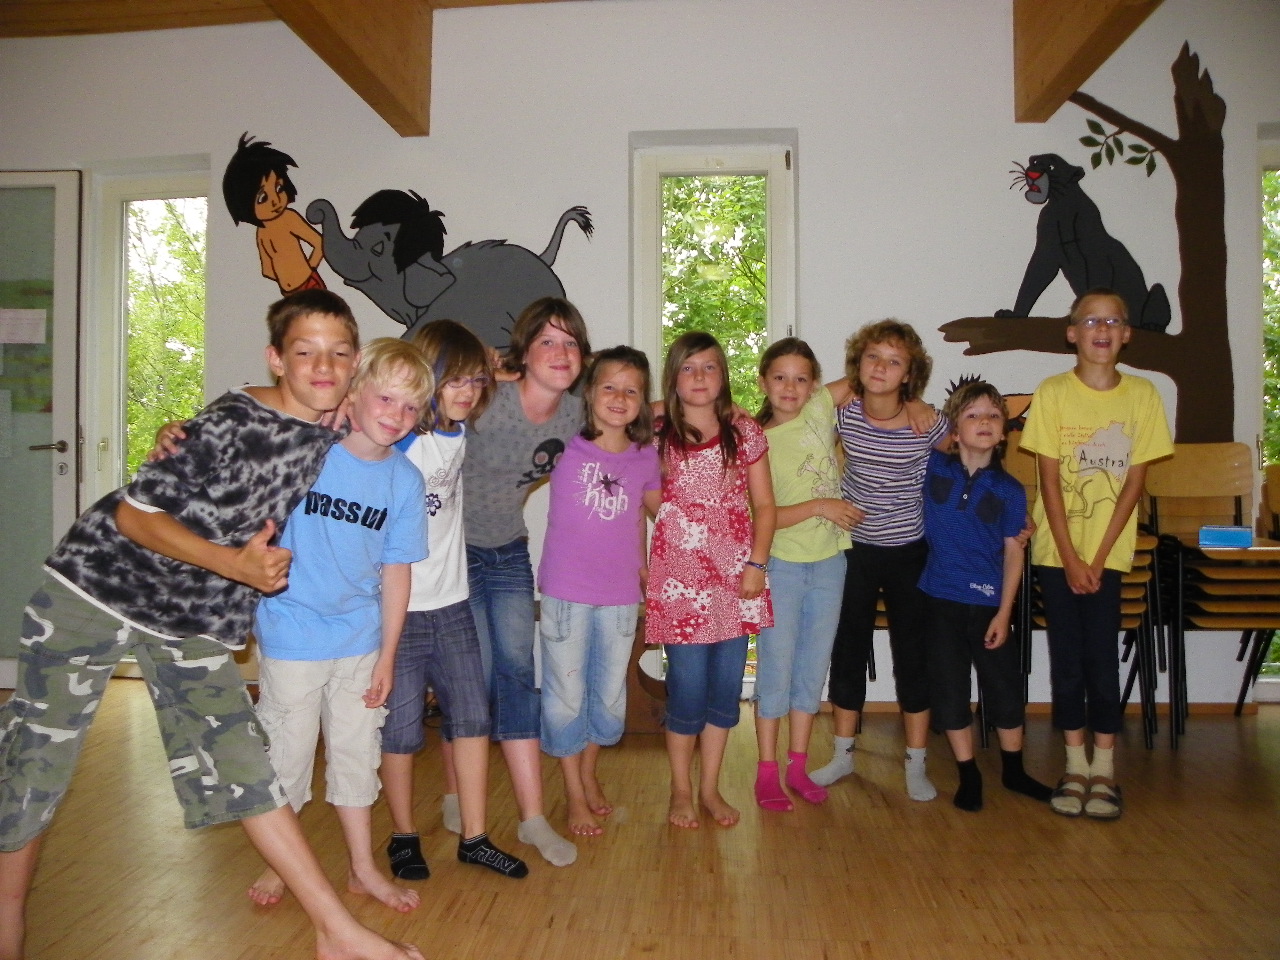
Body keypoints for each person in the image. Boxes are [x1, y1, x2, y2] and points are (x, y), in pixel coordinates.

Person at [0, 289, 423, 960]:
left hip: (186, 617)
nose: (323, 366)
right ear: (276, 359)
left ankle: (336, 932)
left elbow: (405, 409)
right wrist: (235, 563)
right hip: (96, 588)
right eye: (305, 352)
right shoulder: (232, 421)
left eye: (339, 354)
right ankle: (8, 929)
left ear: (354, 368)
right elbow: (133, 516)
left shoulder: (335, 420)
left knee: (244, 764)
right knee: (35, 767)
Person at [244, 338, 430, 911]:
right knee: (288, 754)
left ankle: (362, 868)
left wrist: (388, 656)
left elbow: (397, 573)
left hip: (360, 639)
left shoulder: (405, 481)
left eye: (411, 406)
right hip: (291, 631)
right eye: (386, 398)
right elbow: (253, 408)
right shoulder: (309, 451)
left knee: (355, 755)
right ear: (354, 392)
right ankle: (281, 863)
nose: (396, 414)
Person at [380, 319, 529, 881]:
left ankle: (475, 837)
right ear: (427, 378)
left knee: (471, 719)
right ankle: (402, 836)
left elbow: (509, 379)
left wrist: (495, 367)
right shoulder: (399, 438)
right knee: (400, 732)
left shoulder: (458, 431)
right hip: (398, 612)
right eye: (454, 380)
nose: (467, 391)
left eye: (474, 380)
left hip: (452, 601)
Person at [1019, 288, 1172, 820]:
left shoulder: (1143, 396)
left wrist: (1099, 556)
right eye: (1090, 321)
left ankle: (1104, 769)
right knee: (1067, 661)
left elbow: (1134, 484)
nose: (1101, 330)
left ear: (1126, 333)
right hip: (1056, 553)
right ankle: (1075, 765)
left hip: (1108, 554)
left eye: (1112, 321)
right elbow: (1049, 482)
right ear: (1072, 333)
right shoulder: (1053, 392)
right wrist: (1069, 555)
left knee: (1102, 661)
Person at [462, 297, 591, 866]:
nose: (561, 352)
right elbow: (414, 389)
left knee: (517, 673)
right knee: (473, 676)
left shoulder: (575, 413)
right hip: (449, 553)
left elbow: (635, 408)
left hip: (509, 547)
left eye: (571, 342)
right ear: (523, 351)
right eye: (547, 341)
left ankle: (532, 818)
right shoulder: (487, 398)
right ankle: (456, 793)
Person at [811, 319, 948, 801]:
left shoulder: (926, 423)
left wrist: (920, 404)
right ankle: (842, 754)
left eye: (894, 362)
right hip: (854, 549)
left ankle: (916, 762)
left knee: (913, 657)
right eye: (873, 357)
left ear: (909, 374)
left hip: (910, 550)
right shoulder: (845, 413)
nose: (881, 368)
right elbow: (802, 403)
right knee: (848, 649)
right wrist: (852, 382)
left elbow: (971, 454)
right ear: (857, 364)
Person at [646, 331, 776, 830]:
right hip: (679, 585)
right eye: (688, 368)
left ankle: (709, 789)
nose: (699, 377)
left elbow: (765, 506)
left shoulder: (745, 433)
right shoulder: (656, 432)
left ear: (724, 376)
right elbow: (649, 498)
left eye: (709, 367)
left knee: (725, 689)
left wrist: (757, 565)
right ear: (673, 378)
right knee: (686, 688)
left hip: (737, 582)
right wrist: (680, 524)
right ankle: (680, 789)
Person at [538, 346, 662, 836]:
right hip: (566, 592)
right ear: (588, 392)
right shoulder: (563, 441)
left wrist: (646, 570)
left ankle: (588, 773)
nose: (619, 397)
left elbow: (645, 515)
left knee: (608, 695)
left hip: (620, 595)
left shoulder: (645, 455)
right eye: (609, 386)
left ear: (643, 401)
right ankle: (573, 792)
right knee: (567, 695)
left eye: (632, 391)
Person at [919, 379, 1054, 812]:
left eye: (994, 416)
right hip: (939, 599)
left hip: (988, 603)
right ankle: (968, 772)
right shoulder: (932, 467)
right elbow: (910, 422)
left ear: (1004, 432)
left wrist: (1004, 612)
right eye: (973, 414)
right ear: (955, 429)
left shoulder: (1010, 490)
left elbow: (1015, 551)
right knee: (950, 689)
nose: (984, 422)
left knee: (1004, 687)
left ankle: (1014, 771)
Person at [750, 338, 862, 811]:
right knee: (776, 670)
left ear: (814, 384)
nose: (790, 387)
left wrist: (916, 404)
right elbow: (761, 516)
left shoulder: (819, 409)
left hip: (830, 562)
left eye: (801, 378)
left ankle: (798, 765)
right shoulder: (756, 442)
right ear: (763, 382)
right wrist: (820, 506)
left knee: (813, 669)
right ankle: (767, 771)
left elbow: (870, 374)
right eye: (780, 377)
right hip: (783, 566)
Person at [222, 132, 326, 294]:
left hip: (309, 285)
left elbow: (319, 243)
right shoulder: (261, 231)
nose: (275, 200)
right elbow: (266, 268)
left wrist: (308, 270)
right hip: (288, 292)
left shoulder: (289, 218)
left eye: (279, 188)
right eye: (263, 198)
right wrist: (284, 277)